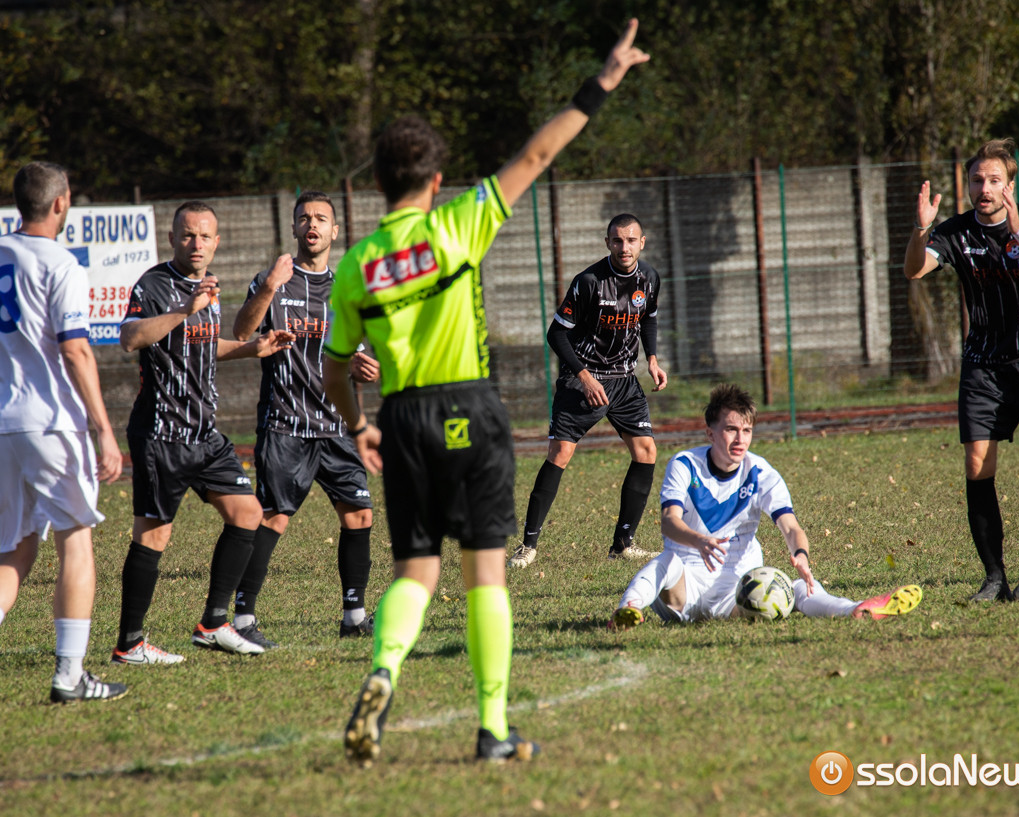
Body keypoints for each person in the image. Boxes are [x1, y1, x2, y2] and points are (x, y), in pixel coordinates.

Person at [322, 20, 651, 765]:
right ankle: (492, 727)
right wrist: (601, 83)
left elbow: (335, 368)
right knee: (484, 572)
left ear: (375, 184)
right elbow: (538, 153)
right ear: (436, 182)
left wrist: (357, 425)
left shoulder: (356, 266)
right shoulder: (460, 223)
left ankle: (382, 671)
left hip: (401, 416)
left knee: (414, 569)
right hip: (468, 406)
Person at [0, 161, 126, 707]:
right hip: (51, 423)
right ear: (61, 202)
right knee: (76, 541)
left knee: (16, 548)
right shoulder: (60, 262)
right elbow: (74, 348)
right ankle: (70, 675)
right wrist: (104, 429)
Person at [111, 201, 294, 665]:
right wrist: (183, 309)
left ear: (217, 242)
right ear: (172, 239)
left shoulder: (209, 287)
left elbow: (205, 344)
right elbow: (131, 337)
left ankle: (213, 624)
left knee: (248, 513)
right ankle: (129, 644)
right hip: (161, 434)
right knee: (154, 537)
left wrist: (254, 347)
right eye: (188, 235)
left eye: (205, 236)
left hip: (205, 434)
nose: (196, 244)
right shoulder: (154, 286)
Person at [904, 138, 1019, 603]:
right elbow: (915, 271)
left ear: (1009, 185)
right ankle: (994, 576)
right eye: (977, 179)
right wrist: (920, 231)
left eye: (994, 180)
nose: (984, 187)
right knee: (977, 464)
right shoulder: (955, 232)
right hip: (984, 362)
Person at [610, 383, 922, 629]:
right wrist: (699, 540)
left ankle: (855, 609)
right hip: (684, 589)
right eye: (731, 429)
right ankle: (628, 611)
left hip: (738, 592)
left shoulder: (760, 472)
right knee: (666, 562)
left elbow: (790, 526)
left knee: (794, 587)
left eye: (746, 430)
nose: (739, 438)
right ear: (710, 432)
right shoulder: (685, 464)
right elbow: (668, 521)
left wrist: (801, 555)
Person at [230, 190, 380, 646]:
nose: (312, 225)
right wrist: (269, 286)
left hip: (337, 426)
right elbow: (240, 331)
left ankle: (353, 616)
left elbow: (355, 349)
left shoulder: (348, 288)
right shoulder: (275, 279)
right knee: (273, 519)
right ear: (294, 228)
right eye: (304, 218)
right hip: (286, 425)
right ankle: (240, 620)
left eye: (321, 219)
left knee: (359, 516)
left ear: (335, 231)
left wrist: (362, 365)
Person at [511, 213, 667, 568]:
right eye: (617, 240)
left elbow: (649, 318)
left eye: (631, 240)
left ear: (642, 242)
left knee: (646, 451)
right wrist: (584, 376)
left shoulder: (650, 278)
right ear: (607, 242)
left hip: (625, 382)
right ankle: (528, 547)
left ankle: (623, 545)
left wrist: (653, 359)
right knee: (559, 454)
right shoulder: (589, 282)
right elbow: (556, 333)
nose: (624, 247)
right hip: (584, 381)